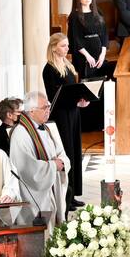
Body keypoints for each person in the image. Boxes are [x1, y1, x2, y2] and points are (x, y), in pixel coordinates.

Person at [8, 92, 71, 227]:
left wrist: (63, 163)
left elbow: (61, 153)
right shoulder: (21, 134)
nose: (48, 110)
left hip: (51, 188)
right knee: (41, 233)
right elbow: (28, 169)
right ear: (31, 111)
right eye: (44, 107)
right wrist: (54, 165)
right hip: (34, 196)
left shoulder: (46, 128)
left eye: (48, 106)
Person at [42, 32, 87, 210]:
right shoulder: (49, 69)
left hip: (73, 112)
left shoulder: (67, 64)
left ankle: (74, 193)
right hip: (61, 115)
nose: (67, 48)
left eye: (67, 45)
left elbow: (73, 88)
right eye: (63, 46)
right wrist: (74, 99)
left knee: (75, 151)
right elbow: (54, 96)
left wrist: (82, 98)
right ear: (53, 47)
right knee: (66, 152)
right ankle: (65, 196)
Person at [66, 0, 114, 94]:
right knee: (88, 84)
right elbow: (75, 38)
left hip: (98, 52)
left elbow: (104, 34)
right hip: (83, 55)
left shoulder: (98, 13)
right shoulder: (75, 16)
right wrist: (87, 56)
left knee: (101, 81)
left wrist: (103, 54)